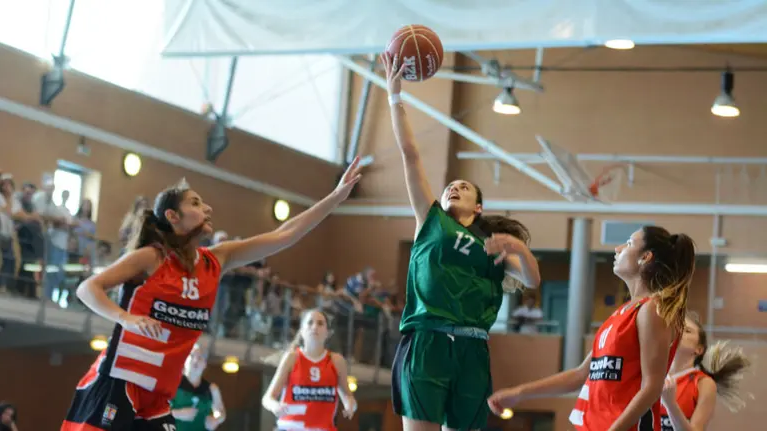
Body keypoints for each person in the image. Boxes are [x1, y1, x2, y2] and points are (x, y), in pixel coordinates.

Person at [60, 159, 363, 431]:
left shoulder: (216, 260)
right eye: (195, 203)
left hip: (158, 398)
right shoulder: (152, 258)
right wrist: (126, 318)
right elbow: (88, 288)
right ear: (173, 216)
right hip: (118, 382)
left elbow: (286, 233)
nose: (207, 209)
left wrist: (335, 198)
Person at [381, 52, 541, 431]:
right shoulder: (431, 219)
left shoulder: (493, 244)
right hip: (428, 341)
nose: (454, 187)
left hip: (472, 348)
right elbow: (410, 154)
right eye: (450, 185)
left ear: (479, 206)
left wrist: (516, 247)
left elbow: (533, 280)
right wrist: (394, 96)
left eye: (463, 187)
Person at [488, 226, 696, 431]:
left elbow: (652, 386)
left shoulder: (652, 309)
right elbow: (580, 374)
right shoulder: (620, 314)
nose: (618, 249)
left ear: (645, 257)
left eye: (630, 243)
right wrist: (519, 393)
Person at [261, 309, 357, 431]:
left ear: (328, 333)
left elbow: (348, 397)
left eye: (320, 323)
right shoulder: (292, 357)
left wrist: (350, 406)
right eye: (310, 323)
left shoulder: (337, 361)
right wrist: (275, 406)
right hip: (291, 427)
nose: (315, 327)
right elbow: (267, 399)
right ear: (301, 331)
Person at [659, 312, 751, 431]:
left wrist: (671, 405)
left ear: (699, 349)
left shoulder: (704, 383)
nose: (678, 331)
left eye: (687, 330)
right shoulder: (651, 376)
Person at [171, 343, 226, 431]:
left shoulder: (211, 389)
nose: (195, 360)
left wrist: (216, 419)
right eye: (192, 356)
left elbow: (220, 412)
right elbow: (154, 413)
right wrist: (178, 413)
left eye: (200, 357)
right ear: (184, 361)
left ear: (205, 364)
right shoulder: (172, 383)